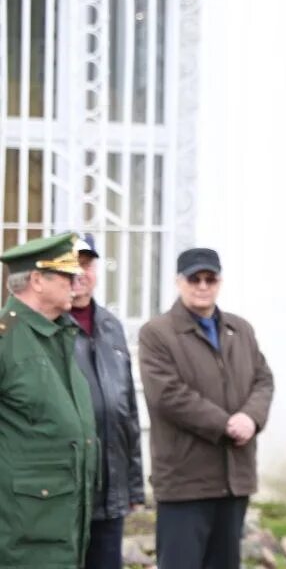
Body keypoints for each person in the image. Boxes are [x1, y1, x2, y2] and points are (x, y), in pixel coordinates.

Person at [138, 248, 275, 569]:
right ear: (178, 282)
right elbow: (168, 394)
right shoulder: (157, 333)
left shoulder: (240, 330)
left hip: (234, 478)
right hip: (186, 481)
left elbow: (263, 380)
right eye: (194, 279)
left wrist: (250, 418)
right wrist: (226, 424)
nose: (202, 286)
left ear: (219, 282)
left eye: (210, 279)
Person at [0, 232, 98, 568]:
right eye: (68, 275)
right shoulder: (6, 339)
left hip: (63, 530)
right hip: (20, 536)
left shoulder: (60, 337)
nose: (78, 281)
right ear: (38, 280)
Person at [69, 235, 145, 569]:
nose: (80, 273)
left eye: (86, 263)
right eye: (71, 264)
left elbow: (127, 411)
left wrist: (133, 486)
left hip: (111, 494)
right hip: (66, 496)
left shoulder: (112, 327)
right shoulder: (45, 327)